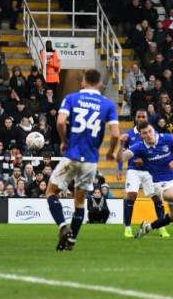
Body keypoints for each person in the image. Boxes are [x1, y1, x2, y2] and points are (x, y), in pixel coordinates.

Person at [47, 68, 119, 251]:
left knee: (51, 192)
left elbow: (61, 121)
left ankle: (63, 227)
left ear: (83, 83)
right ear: (101, 85)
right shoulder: (108, 104)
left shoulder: (72, 98)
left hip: (71, 154)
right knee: (79, 202)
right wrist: (111, 151)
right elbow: (116, 134)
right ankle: (72, 241)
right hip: (91, 160)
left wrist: (64, 141)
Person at [117, 121, 173, 241]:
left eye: (149, 131)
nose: (148, 134)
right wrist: (121, 144)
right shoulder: (139, 146)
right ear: (141, 135)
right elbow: (120, 158)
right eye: (144, 133)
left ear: (153, 129)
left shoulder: (167, 138)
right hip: (159, 183)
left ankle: (148, 227)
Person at [118, 109, 170, 238]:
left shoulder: (152, 134)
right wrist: (119, 169)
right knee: (131, 196)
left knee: (156, 198)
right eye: (138, 116)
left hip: (149, 170)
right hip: (133, 170)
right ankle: (128, 228)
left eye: (143, 116)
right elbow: (123, 154)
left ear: (147, 119)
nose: (141, 118)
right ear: (135, 118)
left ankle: (162, 228)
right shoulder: (128, 135)